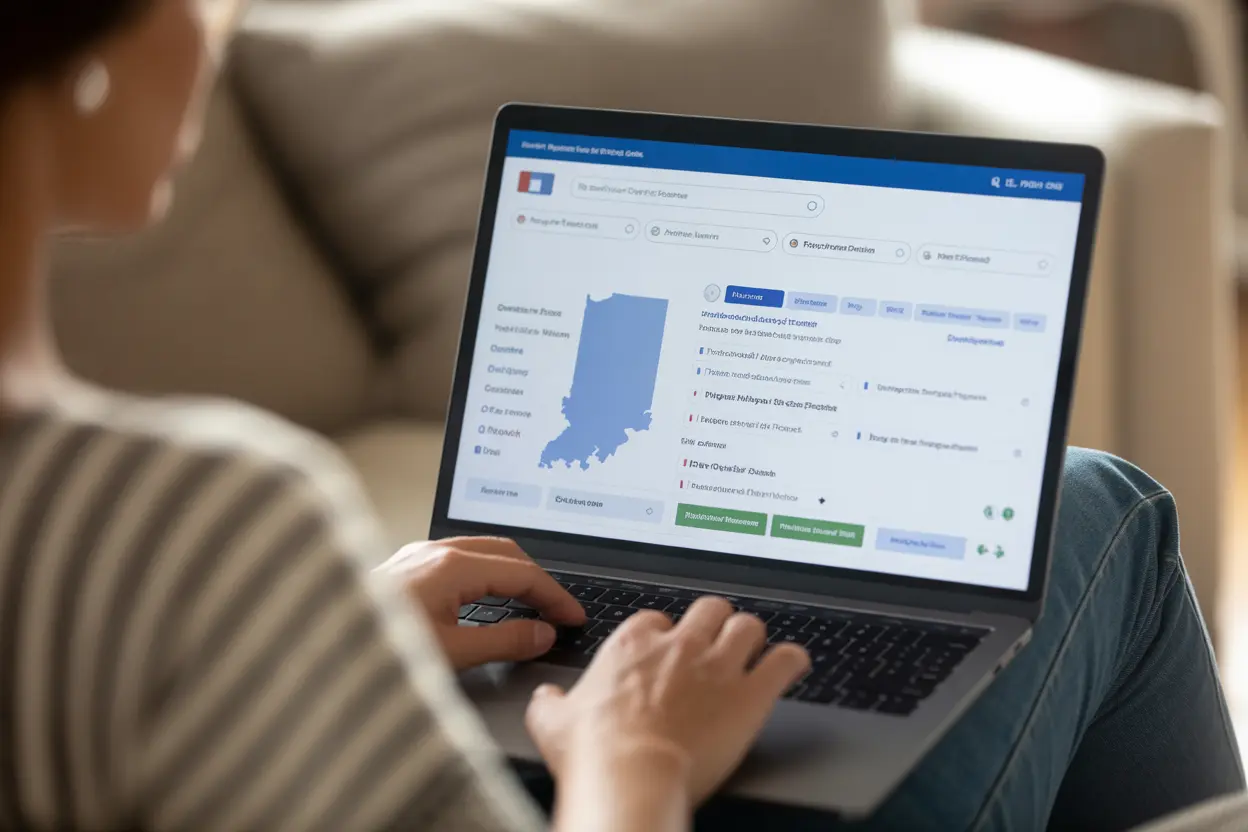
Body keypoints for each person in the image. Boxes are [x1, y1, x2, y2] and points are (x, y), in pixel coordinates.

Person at [0, 2, 1241, 831]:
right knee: (1110, 511)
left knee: (1079, 495)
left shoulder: (119, 534)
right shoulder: (189, 516)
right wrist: (632, 758)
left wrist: (314, 644)